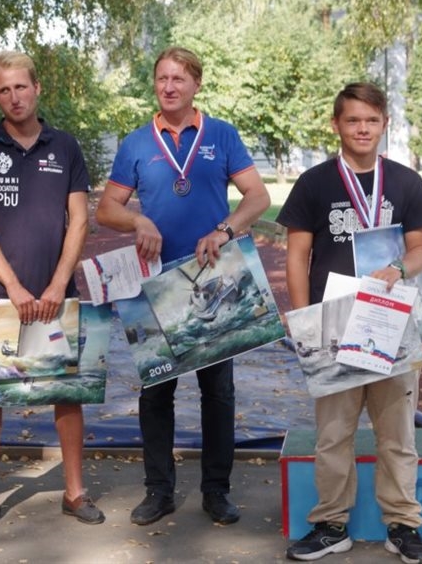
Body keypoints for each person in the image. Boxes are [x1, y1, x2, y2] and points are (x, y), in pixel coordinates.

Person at [95, 46, 270, 526]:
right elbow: (106, 209)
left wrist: (224, 231)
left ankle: (216, 491)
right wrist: (137, 221)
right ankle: (159, 491)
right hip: (155, 287)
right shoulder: (136, 143)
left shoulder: (222, 135)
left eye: (178, 79)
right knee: (156, 393)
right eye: (162, 79)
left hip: (213, 280)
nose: (169, 87)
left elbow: (257, 197)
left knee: (218, 392)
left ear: (196, 84)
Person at [277, 82, 422, 564]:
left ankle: (403, 524)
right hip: (333, 325)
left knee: (398, 435)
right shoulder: (314, 183)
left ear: (384, 123)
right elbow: (297, 256)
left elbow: (421, 249)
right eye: (353, 120)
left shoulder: (406, 182)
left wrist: (399, 268)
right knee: (333, 435)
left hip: (392, 325)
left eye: (371, 120)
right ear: (336, 125)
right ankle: (331, 524)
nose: (362, 128)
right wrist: (304, 319)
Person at [0, 50, 104, 531]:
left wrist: (59, 283)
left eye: (21, 86)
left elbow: (79, 220)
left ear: (37, 88)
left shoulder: (66, 147)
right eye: (4, 89)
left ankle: (74, 492)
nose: (14, 97)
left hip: (57, 291)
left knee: (67, 393)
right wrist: (13, 286)